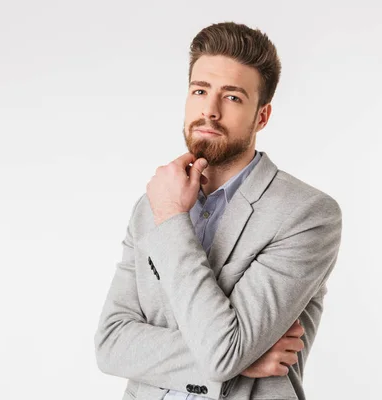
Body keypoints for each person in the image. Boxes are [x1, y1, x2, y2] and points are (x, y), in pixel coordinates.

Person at [94, 21, 342, 400]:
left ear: (262, 116)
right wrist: (237, 361)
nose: (209, 111)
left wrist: (173, 219)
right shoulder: (151, 204)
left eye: (232, 97)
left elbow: (223, 351)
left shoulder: (307, 215)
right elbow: (110, 344)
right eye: (199, 90)